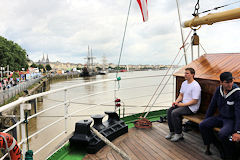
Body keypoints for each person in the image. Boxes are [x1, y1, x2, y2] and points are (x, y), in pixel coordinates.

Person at [199, 72, 240, 159]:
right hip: (221, 117)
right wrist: (206, 119)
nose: (230, 84)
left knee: (223, 134)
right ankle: (219, 147)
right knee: (203, 125)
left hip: (231, 120)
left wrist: (237, 131)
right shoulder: (219, 90)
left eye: (231, 81)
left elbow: (238, 113)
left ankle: (231, 155)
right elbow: (212, 106)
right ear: (221, 82)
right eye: (227, 82)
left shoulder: (237, 93)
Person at [165, 67, 201, 142]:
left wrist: (182, 105)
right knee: (169, 110)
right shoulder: (184, 83)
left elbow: (195, 101)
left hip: (191, 107)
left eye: (187, 73)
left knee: (175, 113)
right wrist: (176, 102)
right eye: (185, 73)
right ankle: (172, 131)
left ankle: (179, 134)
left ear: (192, 75)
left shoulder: (195, 86)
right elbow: (181, 95)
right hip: (184, 105)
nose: (185, 75)